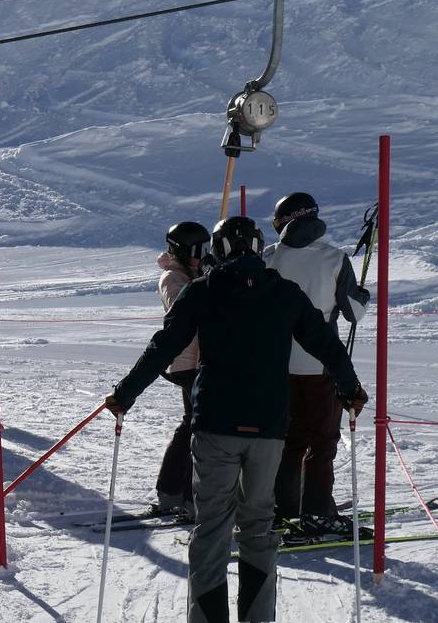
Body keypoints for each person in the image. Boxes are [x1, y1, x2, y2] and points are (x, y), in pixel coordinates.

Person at [105, 216, 367, 623]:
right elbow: (326, 345)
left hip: (216, 425)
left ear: (218, 249)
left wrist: (125, 395)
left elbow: (163, 346)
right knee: (258, 525)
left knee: (212, 528)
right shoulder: (285, 292)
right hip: (268, 428)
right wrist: (350, 389)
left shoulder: (202, 290)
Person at [265, 192, 370, 535]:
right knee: (322, 443)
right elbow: (354, 313)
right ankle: (316, 512)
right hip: (321, 364)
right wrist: (361, 295)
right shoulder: (334, 258)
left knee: (289, 440)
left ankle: (286, 507)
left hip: (278, 364)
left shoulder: (268, 257)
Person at [152, 221, 211, 518]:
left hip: (198, 360)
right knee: (198, 428)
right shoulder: (171, 277)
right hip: (188, 363)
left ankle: (172, 491)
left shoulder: (191, 273)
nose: (204, 256)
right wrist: (208, 281)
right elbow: (186, 308)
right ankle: (187, 496)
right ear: (181, 251)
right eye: (198, 251)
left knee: (191, 425)